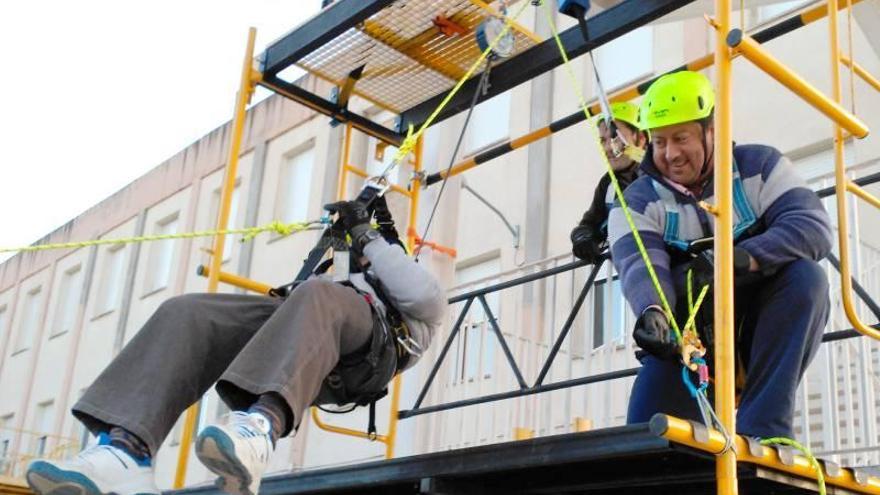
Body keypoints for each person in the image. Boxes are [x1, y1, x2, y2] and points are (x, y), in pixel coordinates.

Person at [25, 198, 446, 495]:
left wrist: (366, 234)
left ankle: (260, 427)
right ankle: (125, 451)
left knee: (319, 294)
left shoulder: (418, 306)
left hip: (366, 356)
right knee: (188, 313)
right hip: (318, 337)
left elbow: (419, 293)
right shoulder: (338, 290)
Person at [607, 70, 832, 439]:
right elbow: (638, 262)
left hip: (756, 332)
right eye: (659, 142)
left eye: (681, 138)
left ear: (711, 130)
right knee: (645, 446)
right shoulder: (637, 199)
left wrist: (738, 259)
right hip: (687, 345)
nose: (670, 153)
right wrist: (652, 311)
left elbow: (812, 227)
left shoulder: (759, 166)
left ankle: (764, 429)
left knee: (807, 279)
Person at [570, 101, 648, 264]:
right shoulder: (608, 185)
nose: (607, 148)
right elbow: (592, 223)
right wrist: (582, 236)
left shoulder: (663, 173)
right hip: (635, 273)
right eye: (602, 141)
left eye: (615, 138)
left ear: (640, 138)